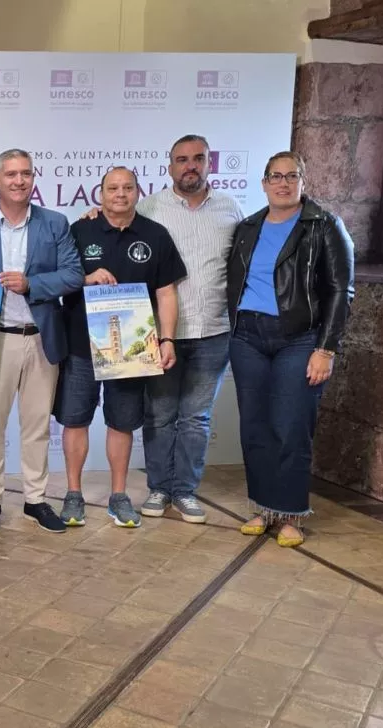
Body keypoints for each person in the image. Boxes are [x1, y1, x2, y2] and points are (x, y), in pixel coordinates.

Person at [226, 151, 354, 547]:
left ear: (303, 180)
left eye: (291, 176)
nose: (283, 183)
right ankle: (264, 509)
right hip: (247, 336)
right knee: (255, 428)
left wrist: (325, 350)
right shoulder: (248, 226)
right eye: (275, 176)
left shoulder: (324, 225)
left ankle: (291, 516)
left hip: (299, 338)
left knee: (291, 427)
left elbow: (340, 291)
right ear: (264, 183)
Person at [0, 150, 84, 534]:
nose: (19, 180)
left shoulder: (55, 223)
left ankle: (35, 499)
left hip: (41, 338)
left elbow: (74, 274)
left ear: (34, 179)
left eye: (26, 173)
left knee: (36, 426)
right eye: (10, 174)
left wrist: (33, 285)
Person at [55, 167, 185, 529]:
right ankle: (73, 494)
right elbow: (58, 280)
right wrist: (85, 278)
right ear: (100, 194)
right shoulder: (79, 231)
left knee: (122, 423)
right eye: (112, 188)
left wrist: (167, 338)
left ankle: (119, 496)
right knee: (75, 420)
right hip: (81, 347)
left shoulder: (156, 235)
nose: (120, 194)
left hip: (132, 352)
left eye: (128, 187)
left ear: (137, 192)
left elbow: (166, 293)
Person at [136, 135, 245, 525]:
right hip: (163, 332)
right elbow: (116, 228)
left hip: (214, 331)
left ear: (209, 163)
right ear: (170, 166)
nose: (190, 166)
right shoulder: (149, 208)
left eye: (198, 158)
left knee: (196, 420)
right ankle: (158, 487)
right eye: (182, 159)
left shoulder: (231, 209)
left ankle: (184, 492)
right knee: (160, 416)